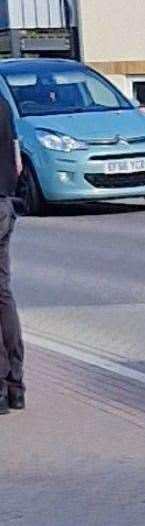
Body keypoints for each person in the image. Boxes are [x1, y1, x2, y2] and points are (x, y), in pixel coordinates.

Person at [0, 102, 23, 417]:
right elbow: (17, 164)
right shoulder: (3, 103)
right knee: (3, 293)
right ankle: (15, 384)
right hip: (3, 205)